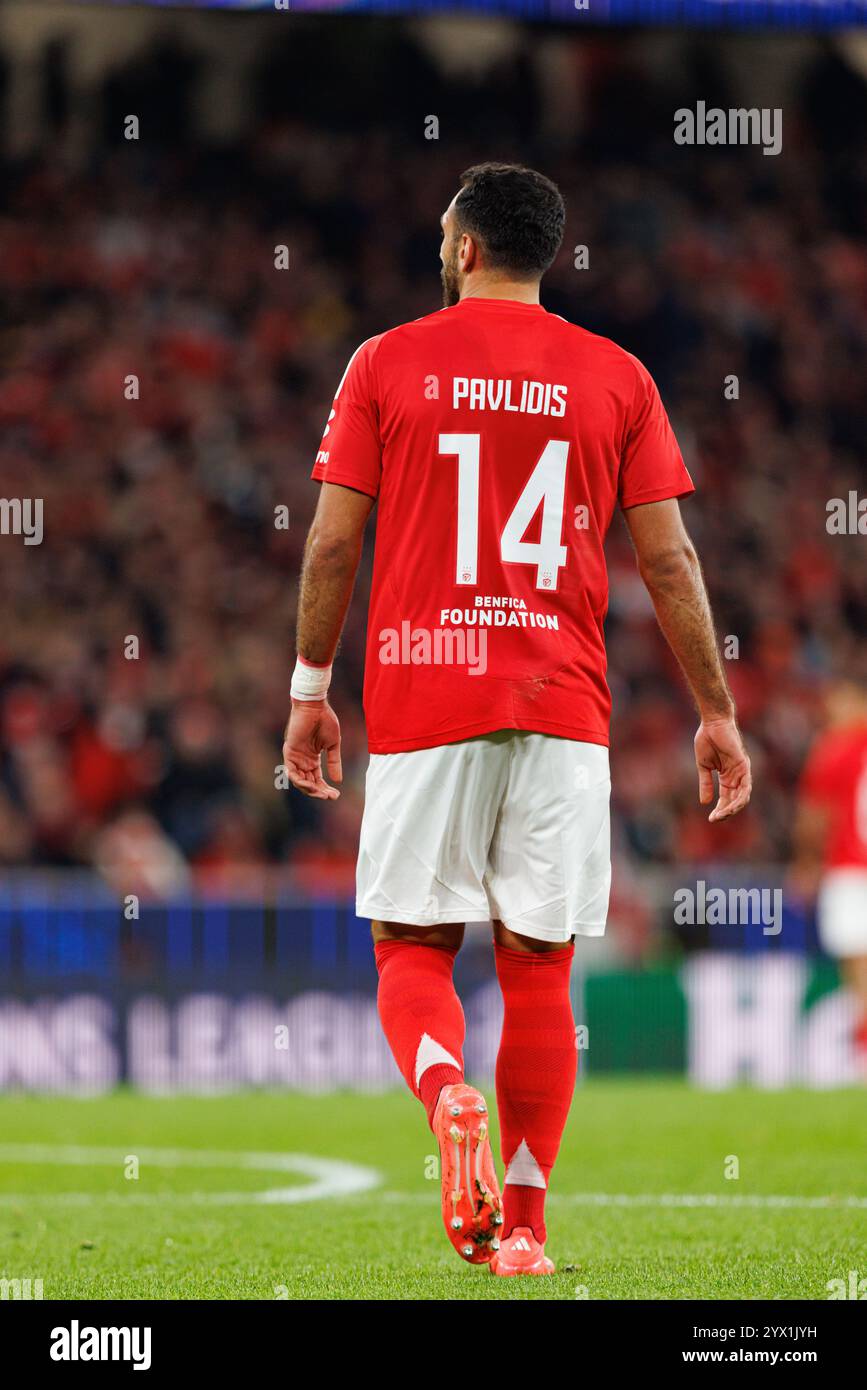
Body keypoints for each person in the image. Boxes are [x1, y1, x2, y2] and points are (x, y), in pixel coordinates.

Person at [283, 162, 751, 1276]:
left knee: (414, 945)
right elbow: (670, 560)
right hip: (561, 703)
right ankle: (528, 1229)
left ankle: (449, 1096)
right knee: (540, 966)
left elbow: (335, 540)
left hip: (425, 692)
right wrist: (716, 712)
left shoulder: (386, 362)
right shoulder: (618, 377)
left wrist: (309, 690)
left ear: (461, 250)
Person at [795, 677, 867, 1064]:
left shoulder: (835, 747)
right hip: (851, 871)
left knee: (857, 966)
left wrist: (806, 865)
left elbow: (814, 815)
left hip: (851, 870)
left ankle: (863, 1053)